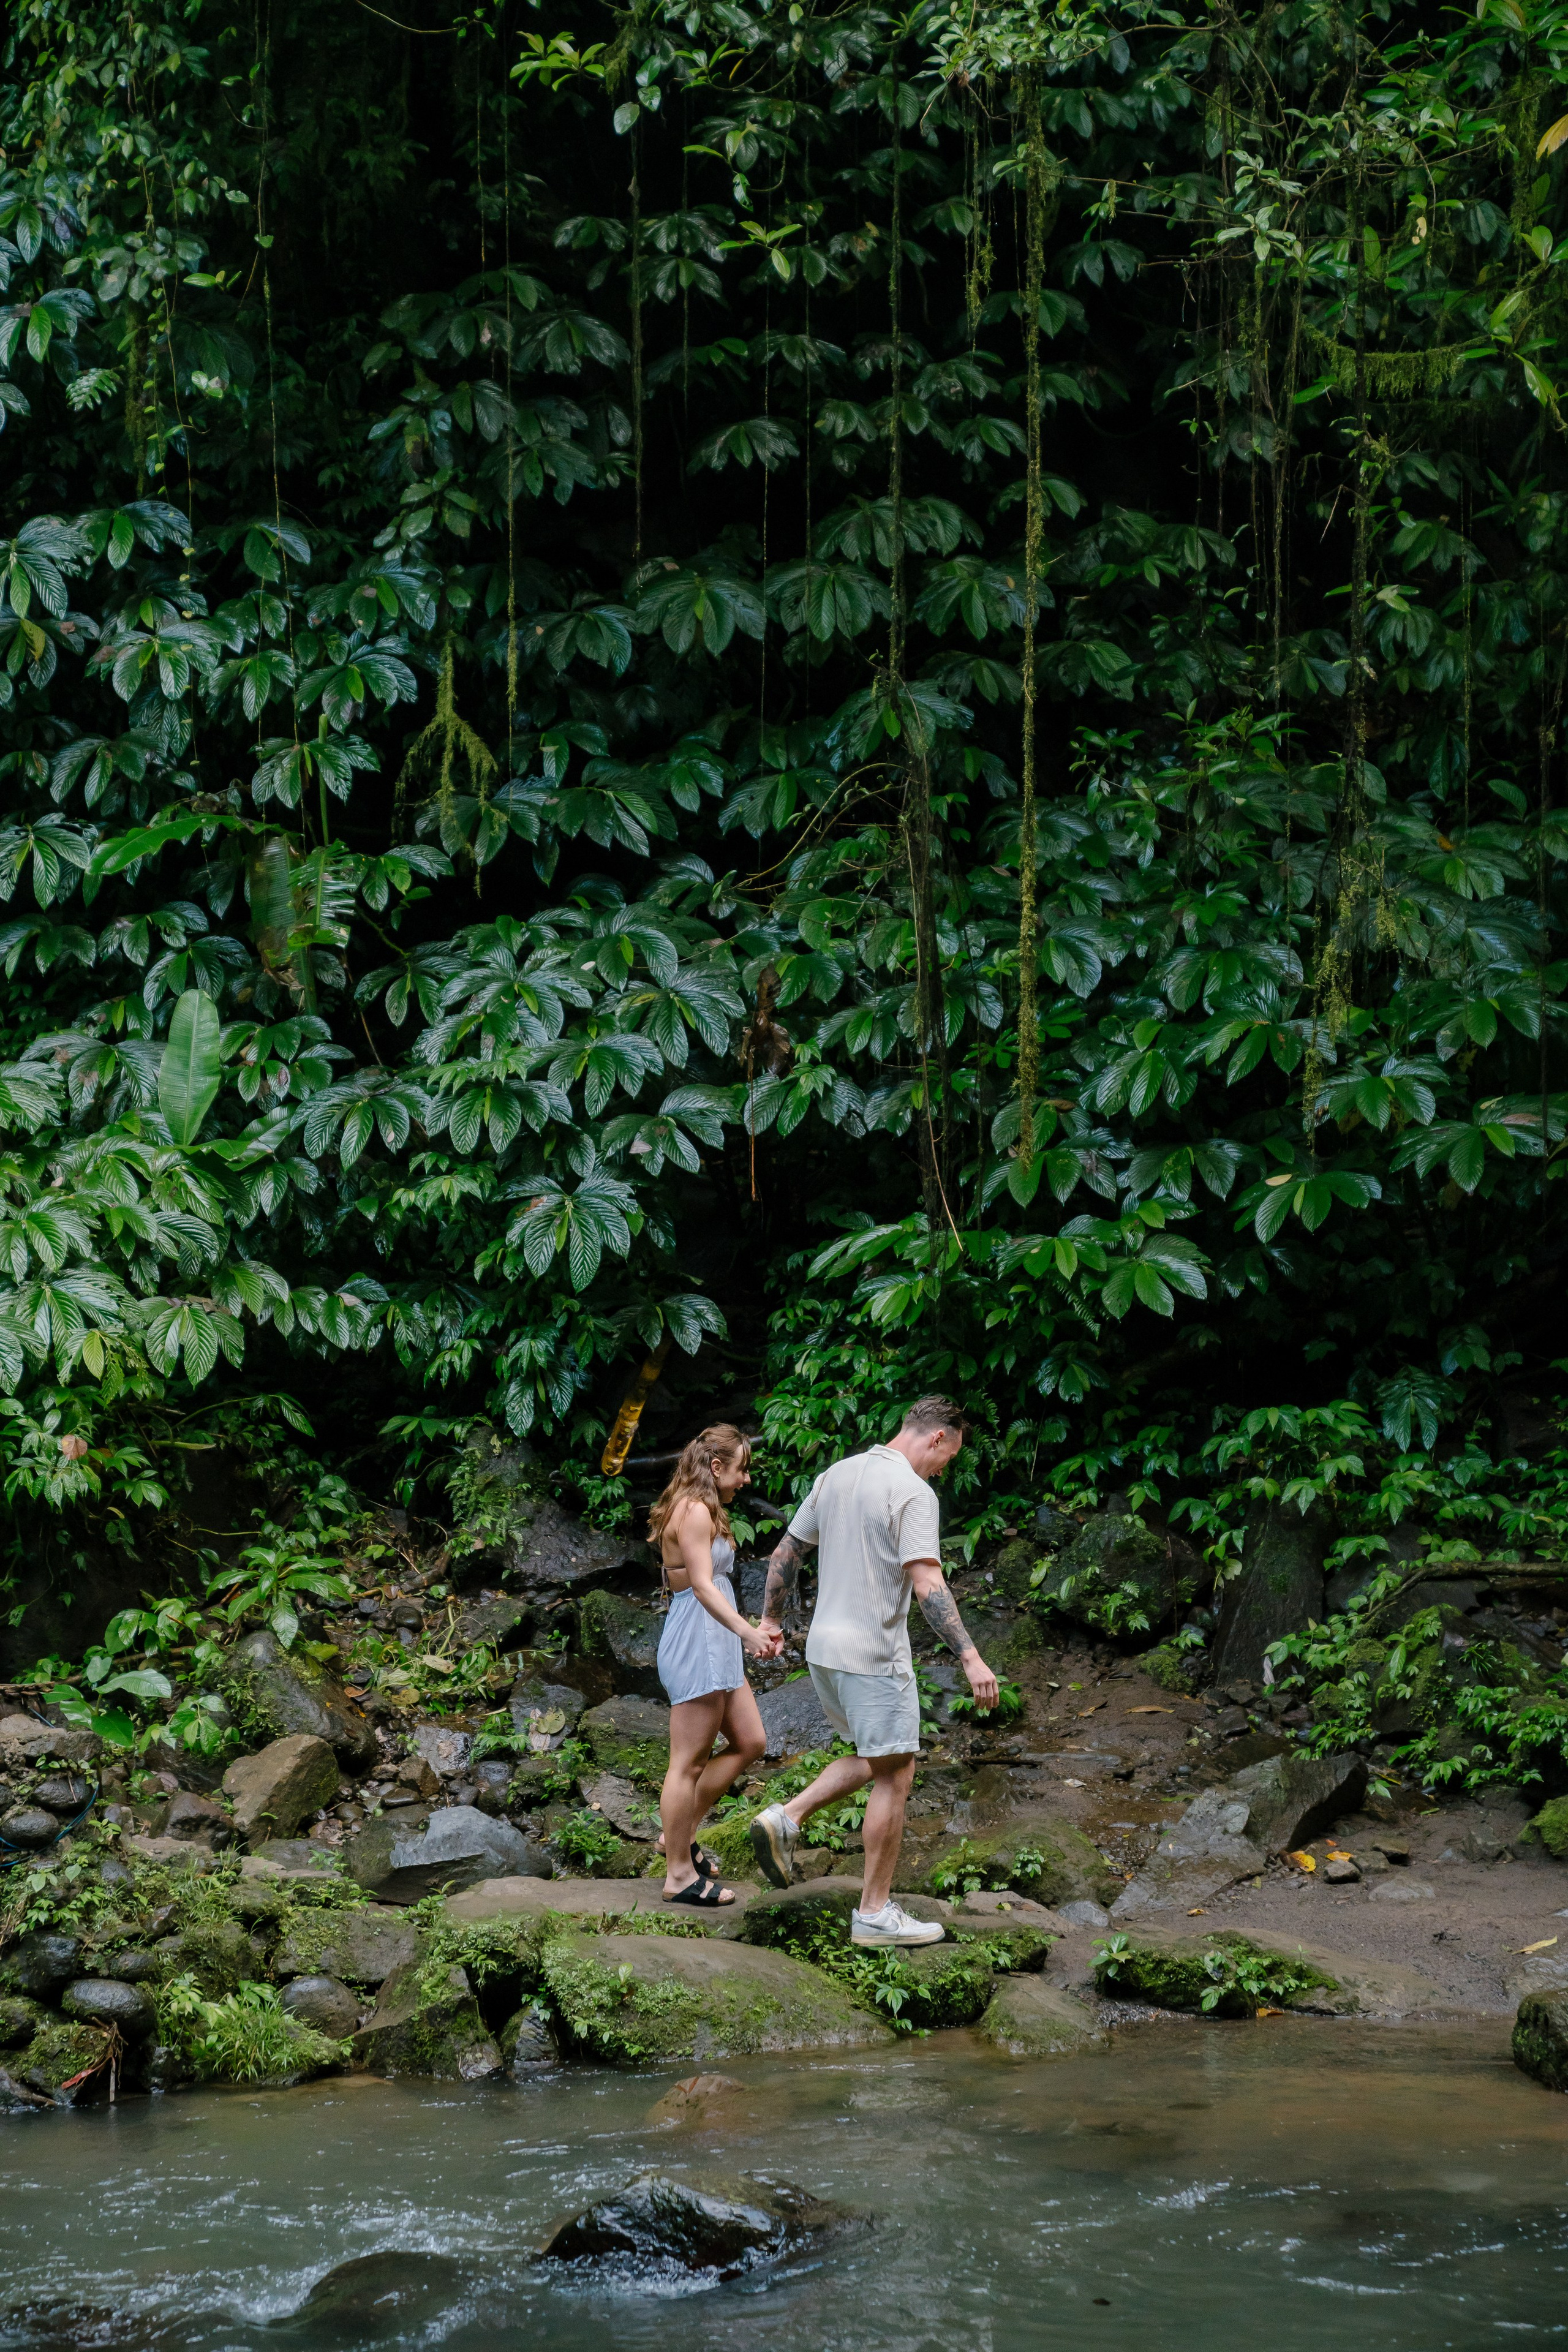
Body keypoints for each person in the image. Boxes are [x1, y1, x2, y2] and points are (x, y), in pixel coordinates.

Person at [748, 1395, 997, 1947]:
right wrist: (970, 1656)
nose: (944, 1469)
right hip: (873, 1654)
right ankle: (875, 1913)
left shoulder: (837, 1474)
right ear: (938, 1436)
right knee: (896, 1773)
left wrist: (771, 1620)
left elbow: (785, 1553)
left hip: (823, 1650)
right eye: (950, 1457)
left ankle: (787, 1818)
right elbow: (927, 1583)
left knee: (877, 1755)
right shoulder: (913, 1492)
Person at [650, 1424, 782, 1907]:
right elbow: (703, 1587)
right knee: (687, 1763)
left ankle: (676, 1836)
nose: (746, 1479)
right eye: (742, 1469)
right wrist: (748, 1632)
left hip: (716, 1639)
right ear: (717, 1466)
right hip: (698, 1639)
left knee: (751, 1741)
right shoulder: (694, 1510)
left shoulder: (703, 1508)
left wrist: (745, 1631)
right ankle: (679, 1874)